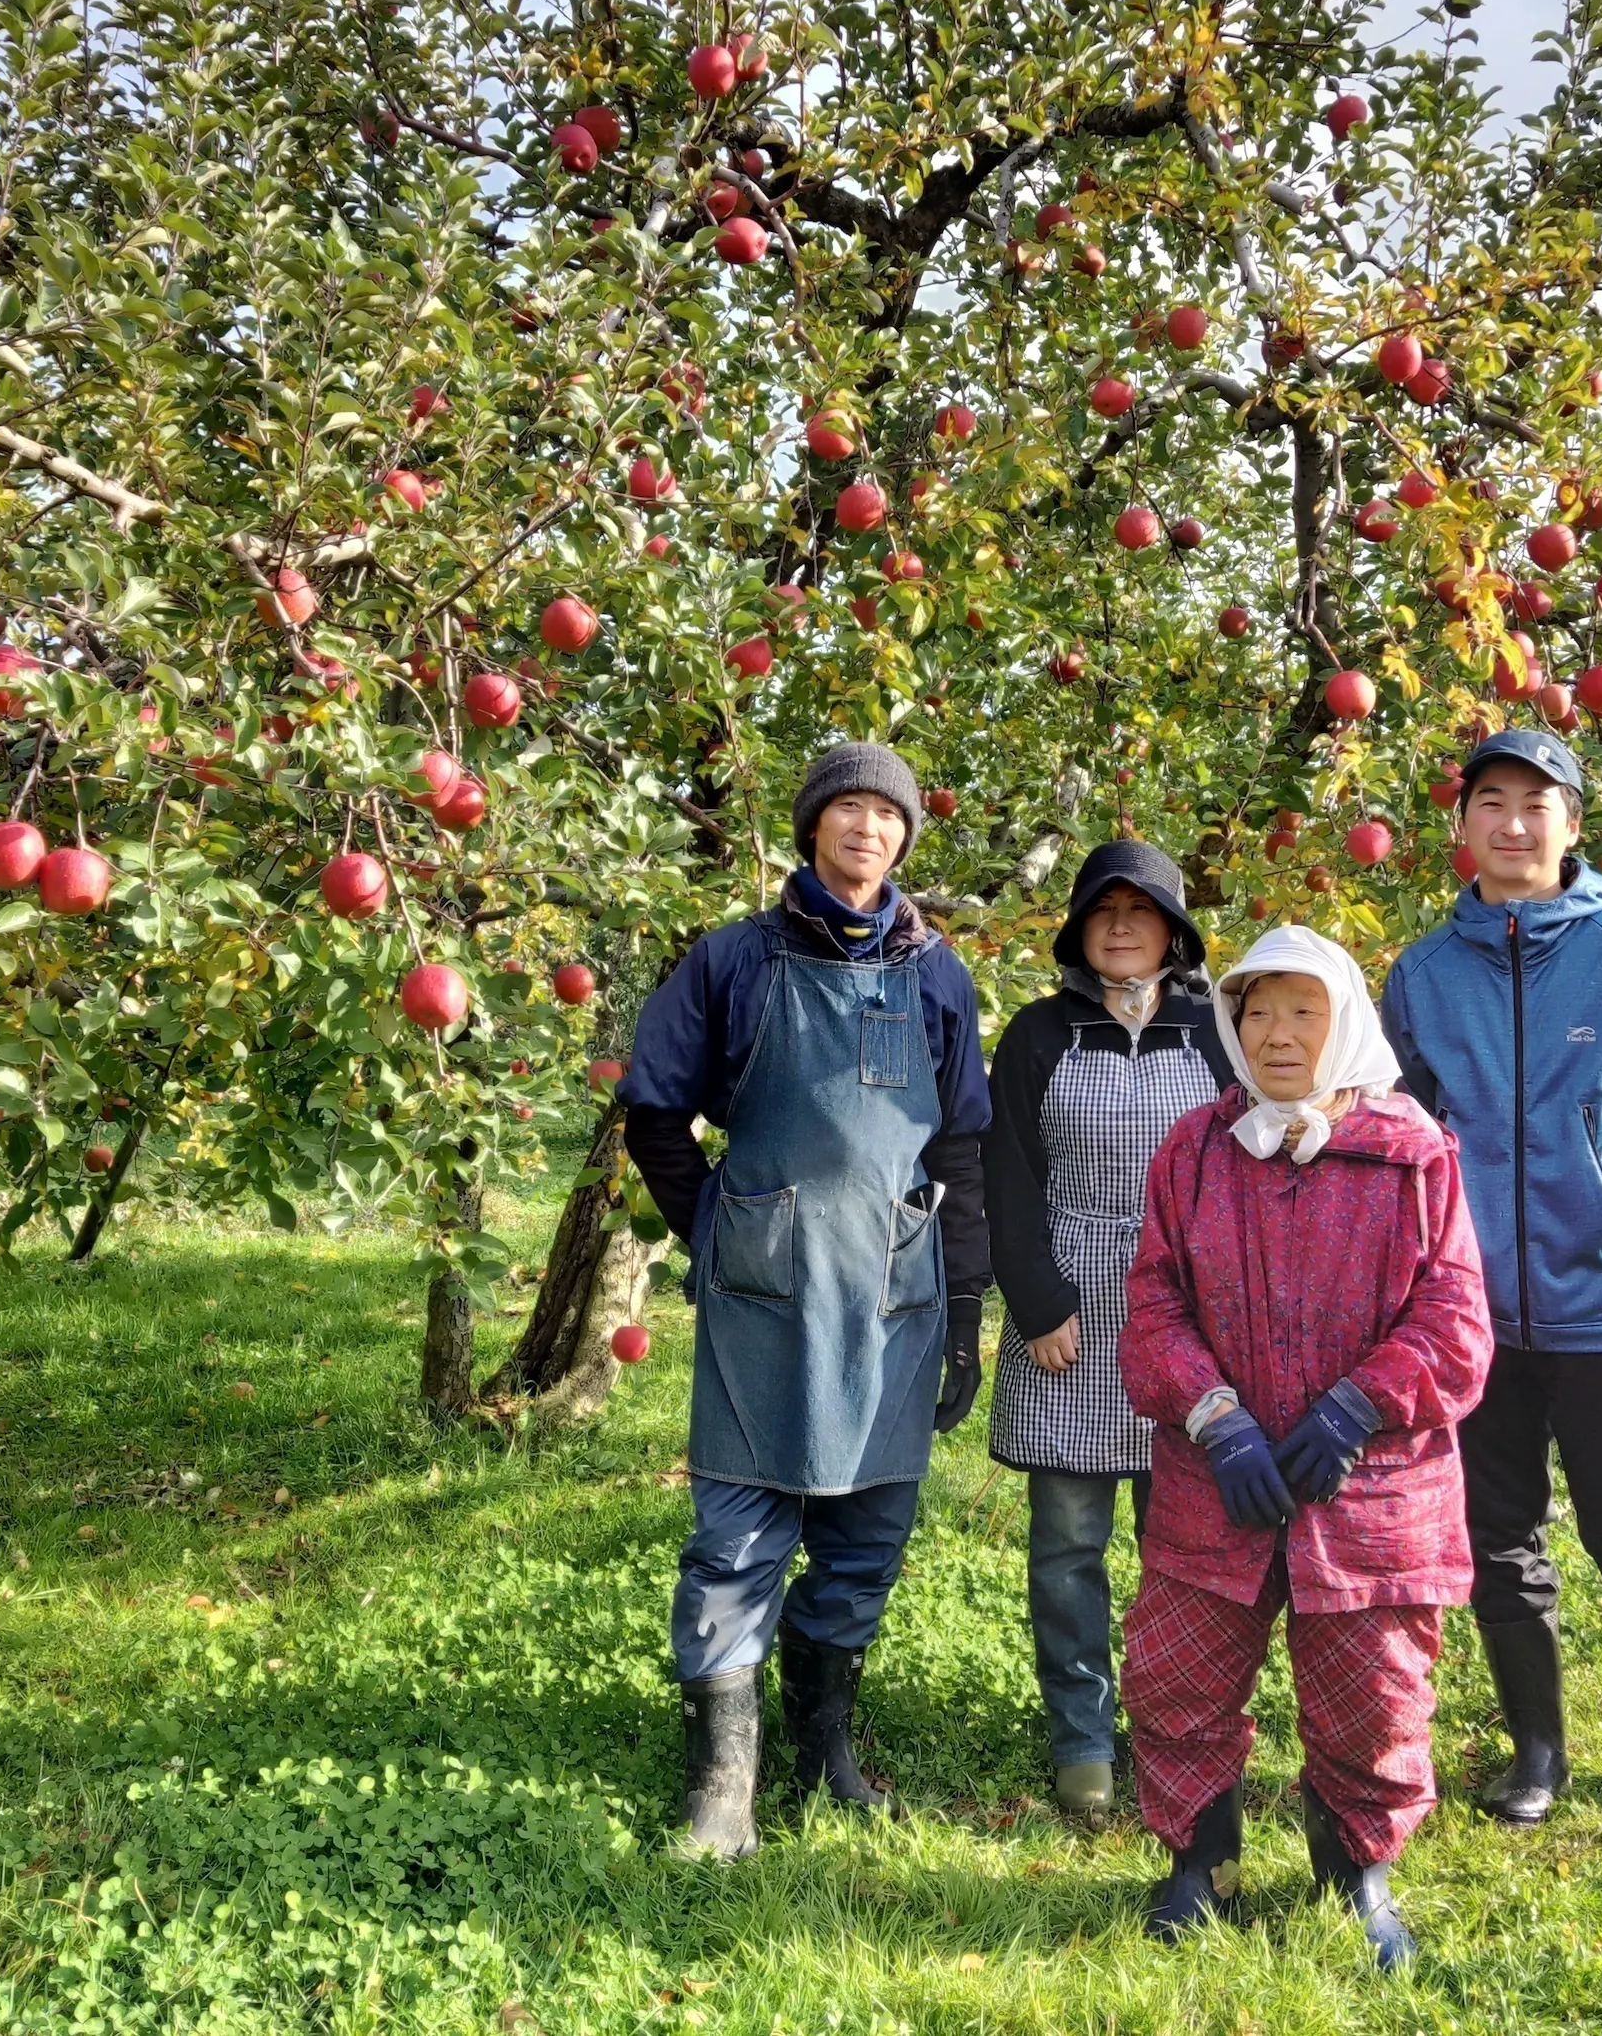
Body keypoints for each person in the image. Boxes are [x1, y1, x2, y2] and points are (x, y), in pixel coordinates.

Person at [618, 743, 995, 1858]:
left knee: (868, 1531)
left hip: (895, 1290)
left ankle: (824, 1748)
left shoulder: (937, 974)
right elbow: (655, 1111)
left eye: (888, 813)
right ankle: (721, 1790)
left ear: (905, 837)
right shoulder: (735, 959)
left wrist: (963, 1307)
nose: (867, 828)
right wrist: (716, 1223)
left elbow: (961, 1149)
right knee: (737, 1530)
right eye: (848, 808)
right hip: (764, 1289)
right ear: (813, 826)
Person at [1117, 924, 1492, 1973]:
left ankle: (1357, 1873)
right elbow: (1154, 1305)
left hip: (1371, 1491)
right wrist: (1216, 1417)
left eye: (1304, 1011)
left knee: (1374, 1690)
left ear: (1347, 1022)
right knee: (1178, 1673)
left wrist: (1357, 1407)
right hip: (1218, 1481)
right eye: (1257, 1012)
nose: (1278, 1034)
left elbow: (1455, 1317)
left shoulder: (1414, 1154)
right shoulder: (1195, 1151)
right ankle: (1201, 1865)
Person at [1374, 727, 1602, 1831]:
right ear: (1462, 825)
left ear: (1571, 825)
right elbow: (1406, 1127)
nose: (1514, 823)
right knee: (1496, 1538)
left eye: (1538, 804)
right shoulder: (1424, 974)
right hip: (1473, 1310)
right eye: (1491, 802)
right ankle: (1538, 1750)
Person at [984, 843, 1235, 1822]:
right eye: (1103, 909)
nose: (1122, 925)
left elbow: (1247, 1167)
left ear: (1175, 930)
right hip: (1073, 1309)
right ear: (1080, 928)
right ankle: (1082, 1734)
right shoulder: (1041, 1033)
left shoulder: (1215, 1029)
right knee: (1068, 1542)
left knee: (1184, 1541)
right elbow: (1007, 1172)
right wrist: (1038, 1301)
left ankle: (1176, 1722)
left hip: (1188, 1307)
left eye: (1142, 909)